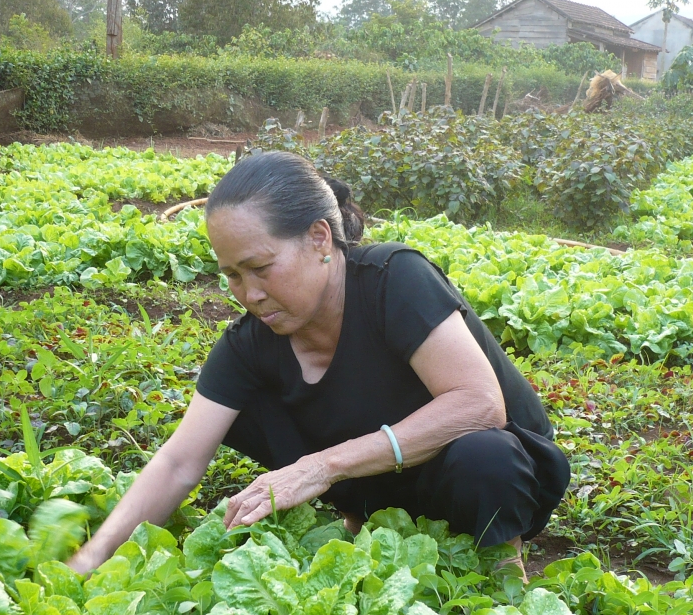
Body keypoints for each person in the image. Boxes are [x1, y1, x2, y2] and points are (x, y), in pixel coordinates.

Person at [67, 151, 569, 576]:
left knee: (483, 456)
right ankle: (365, 515)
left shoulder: (396, 279)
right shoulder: (251, 340)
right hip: (384, 477)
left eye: (261, 268)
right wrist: (94, 555)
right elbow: (178, 462)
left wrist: (320, 467)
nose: (251, 294)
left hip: (491, 473)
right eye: (233, 276)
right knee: (235, 407)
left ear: (319, 238)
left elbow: (481, 405)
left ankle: (501, 562)